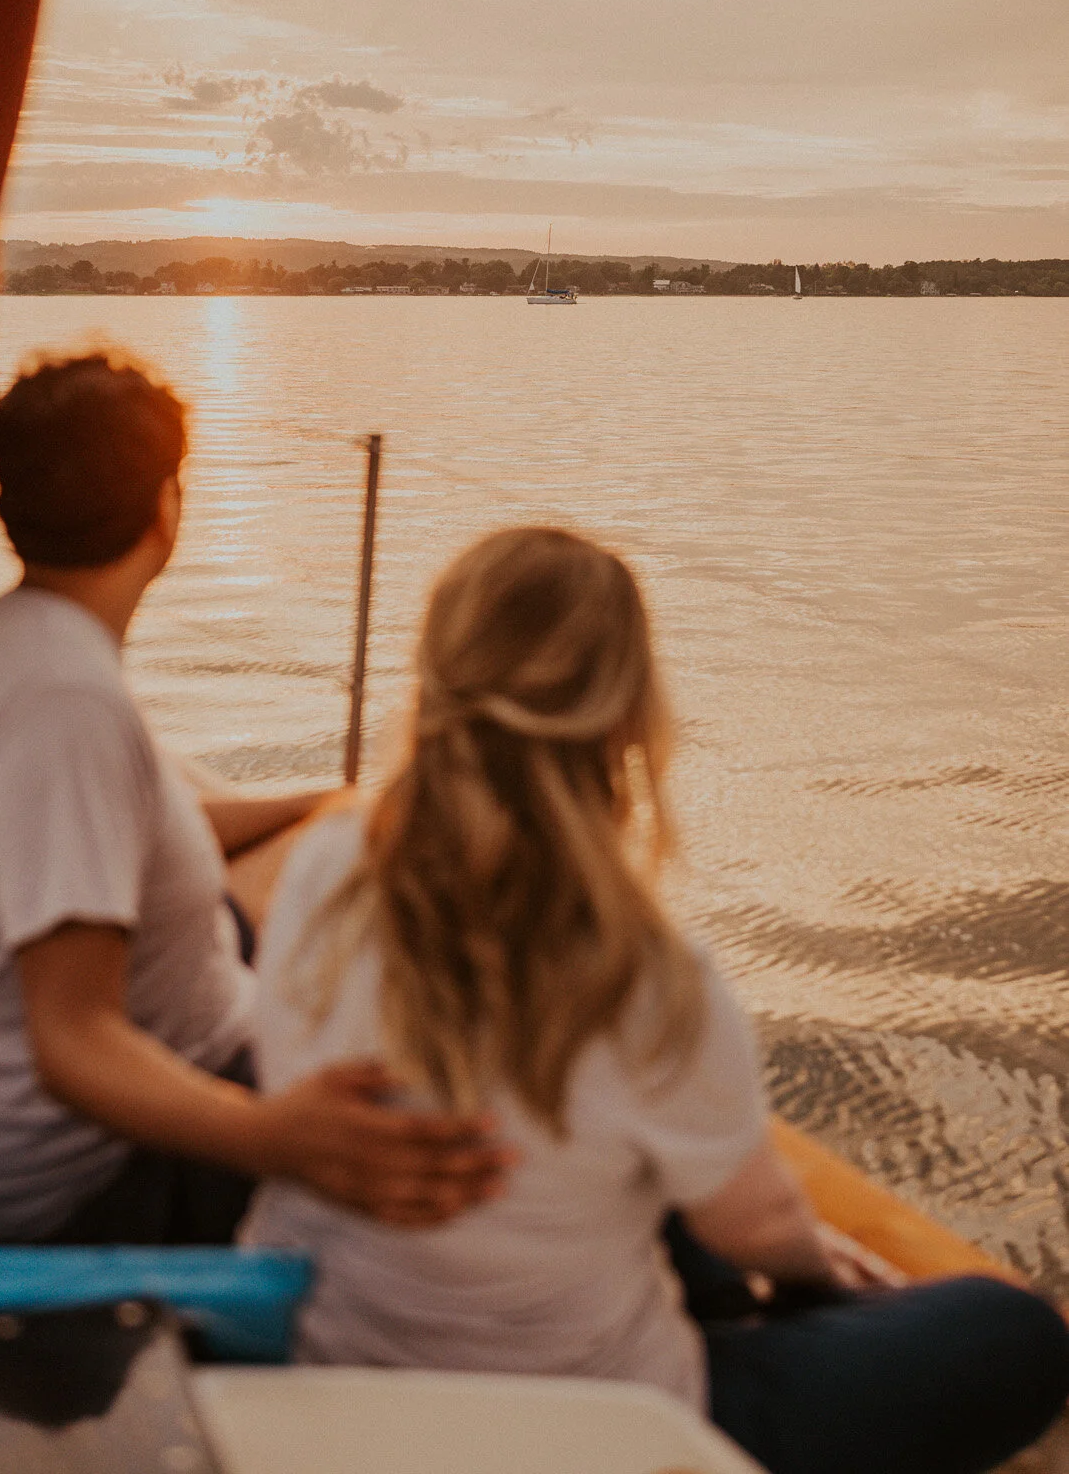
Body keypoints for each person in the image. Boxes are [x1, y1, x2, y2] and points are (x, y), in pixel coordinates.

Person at [242, 526, 1069, 1474]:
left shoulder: (320, 872)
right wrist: (824, 1271)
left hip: (338, 1368)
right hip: (597, 1429)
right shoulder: (646, 981)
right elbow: (754, 1227)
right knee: (1011, 1333)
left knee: (646, 1183)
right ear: (627, 717)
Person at [0, 349, 508, 1245]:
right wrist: (274, 1139)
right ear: (165, 509)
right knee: (465, 1083)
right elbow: (73, 1039)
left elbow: (122, 839)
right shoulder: (61, 703)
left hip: (125, 1048)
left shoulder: (12, 641)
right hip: (93, 1179)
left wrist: (316, 802)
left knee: (345, 847)